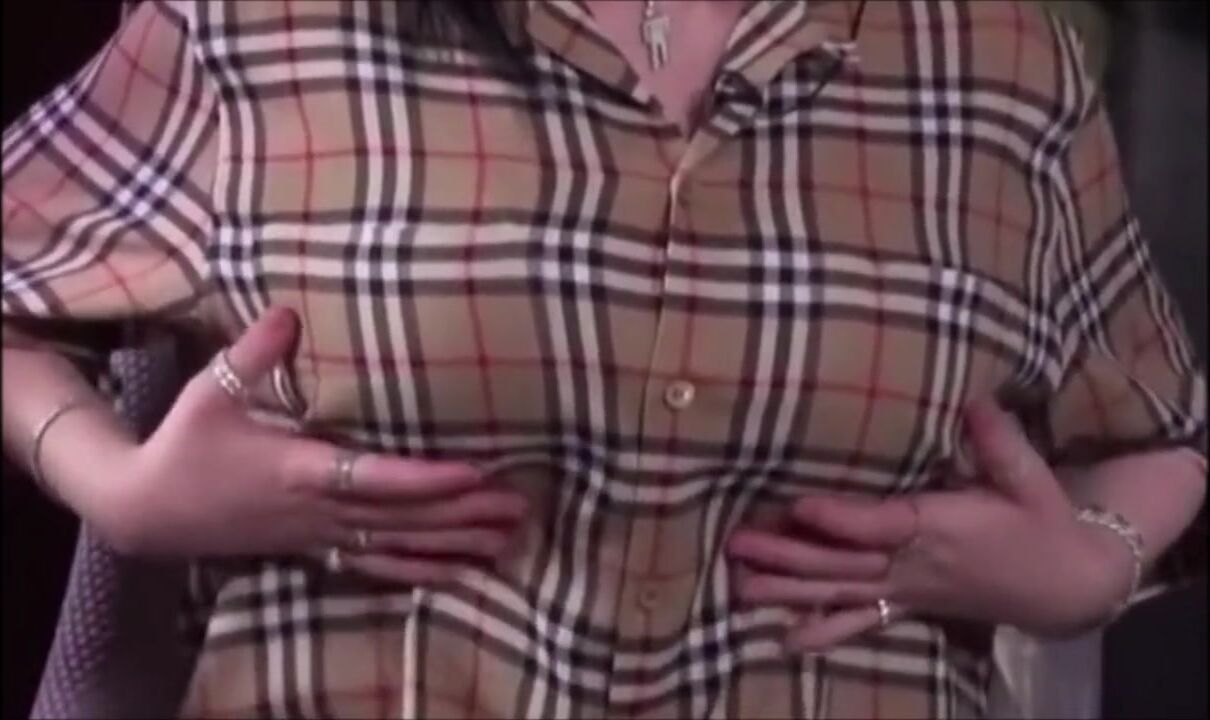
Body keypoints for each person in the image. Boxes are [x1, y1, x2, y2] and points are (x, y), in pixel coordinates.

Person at [2, 0, 1204, 717]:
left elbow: (1160, 428)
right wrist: (117, 486)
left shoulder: (1002, 68)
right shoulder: (264, 26)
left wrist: (1089, 565)